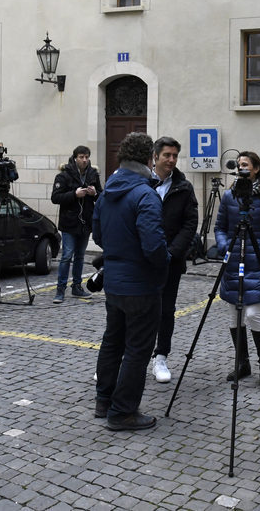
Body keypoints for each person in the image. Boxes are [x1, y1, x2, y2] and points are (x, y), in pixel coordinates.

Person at [91, 132, 169, 431]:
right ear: (149, 158)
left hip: (115, 280)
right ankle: (122, 411)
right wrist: (164, 262)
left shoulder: (109, 190)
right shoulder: (145, 194)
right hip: (140, 282)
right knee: (137, 348)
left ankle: (104, 400)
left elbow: (98, 235)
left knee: (113, 341)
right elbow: (153, 245)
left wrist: (119, 251)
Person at [214, 151, 260, 384]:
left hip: (258, 263)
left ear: (256, 168)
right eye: (238, 165)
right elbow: (219, 227)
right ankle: (242, 363)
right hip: (234, 262)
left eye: (245, 165)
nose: (241, 169)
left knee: (254, 313)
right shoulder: (229, 196)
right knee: (235, 315)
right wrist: (226, 246)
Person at [150, 137, 199, 384]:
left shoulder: (183, 186)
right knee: (136, 309)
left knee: (166, 310)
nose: (171, 160)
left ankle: (161, 357)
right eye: (167, 155)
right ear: (155, 156)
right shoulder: (141, 182)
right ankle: (126, 356)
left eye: (175, 156)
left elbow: (190, 223)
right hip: (142, 261)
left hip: (171, 261)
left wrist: (173, 252)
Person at [51, 145, 101, 304]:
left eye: (87, 157)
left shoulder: (93, 174)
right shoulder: (64, 175)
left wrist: (95, 193)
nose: (84, 160)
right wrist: (74, 194)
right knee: (66, 256)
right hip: (69, 222)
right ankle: (60, 289)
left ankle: (77, 287)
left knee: (80, 256)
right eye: (81, 157)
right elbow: (55, 197)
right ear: (75, 158)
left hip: (85, 222)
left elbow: (101, 195)